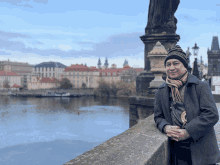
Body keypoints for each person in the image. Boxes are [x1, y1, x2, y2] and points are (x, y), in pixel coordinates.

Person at [154, 45, 220, 165]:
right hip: (176, 151)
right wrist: (165, 127)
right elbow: (158, 117)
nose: (171, 67)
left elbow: (212, 114)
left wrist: (188, 131)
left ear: (184, 66)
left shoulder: (200, 86)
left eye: (176, 63)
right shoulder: (161, 90)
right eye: (168, 64)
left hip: (201, 149)